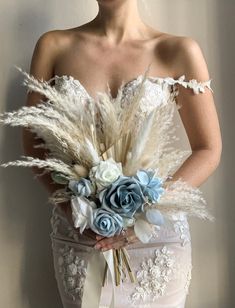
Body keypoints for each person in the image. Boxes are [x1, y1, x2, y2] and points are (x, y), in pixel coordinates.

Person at [22, 0, 222, 307]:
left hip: (155, 235)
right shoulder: (54, 45)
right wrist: (72, 211)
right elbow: (32, 143)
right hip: (80, 232)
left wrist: (148, 214)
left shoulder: (179, 50)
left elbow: (208, 149)